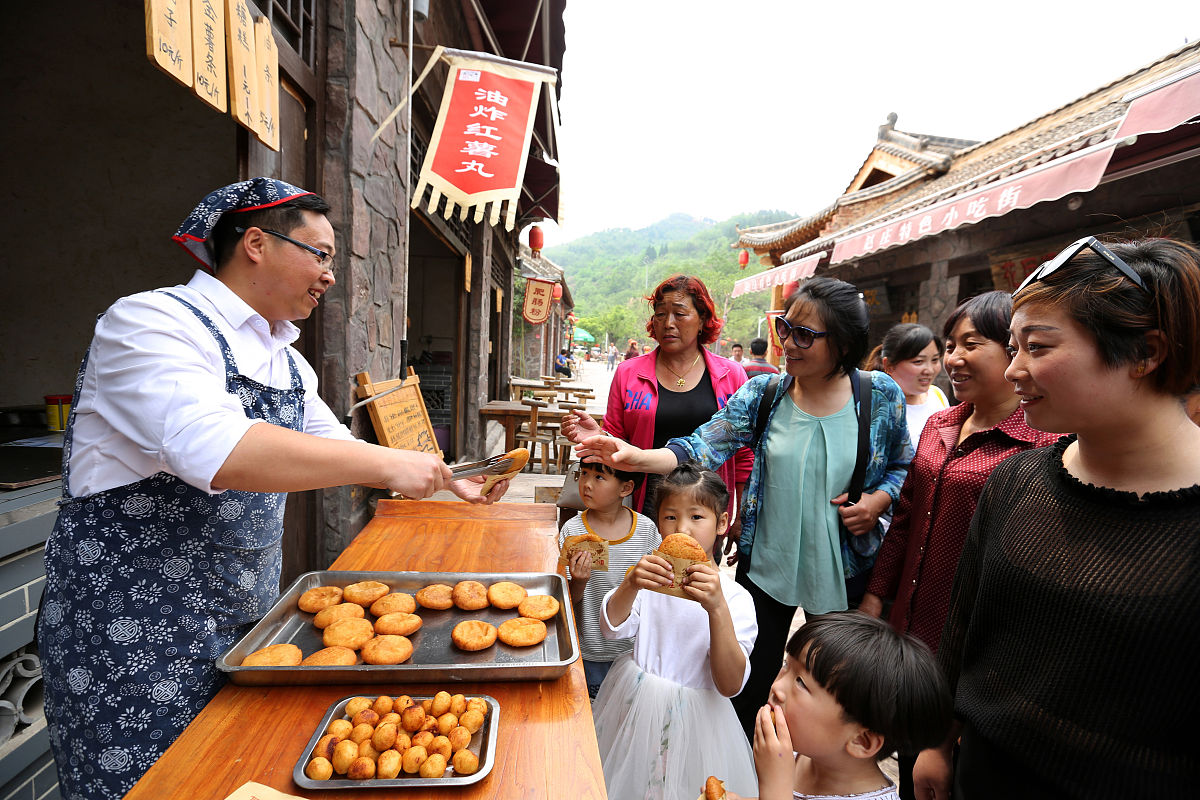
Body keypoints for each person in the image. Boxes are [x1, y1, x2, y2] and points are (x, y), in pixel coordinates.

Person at [35, 178, 507, 800]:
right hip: (130, 634)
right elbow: (219, 450)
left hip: (247, 624)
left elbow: (342, 449)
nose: (329, 275)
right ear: (256, 243)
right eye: (320, 254)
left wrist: (449, 480)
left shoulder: (287, 360)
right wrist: (387, 469)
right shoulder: (149, 322)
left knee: (233, 777)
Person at [914, 237, 1200, 799]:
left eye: (1038, 347)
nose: (1015, 370)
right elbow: (965, 630)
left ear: (1147, 352)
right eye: (1014, 347)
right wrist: (938, 743)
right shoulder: (1016, 483)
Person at [576, 276, 912, 740]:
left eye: (804, 335)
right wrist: (636, 457)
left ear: (845, 344)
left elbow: (902, 465)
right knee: (751, 681)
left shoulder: (878, 395)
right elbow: (701, 447)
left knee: (833, 686)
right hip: (769, 565)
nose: (787, 344)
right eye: (784, 328)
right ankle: (742, 769)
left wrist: (878, 499)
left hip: (840, 566)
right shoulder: (765, 394)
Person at [858, 293, 1059, 799]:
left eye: (972, 344)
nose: (952, 360)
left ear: (1011, 350)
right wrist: (876, 598)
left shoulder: (1041, 445)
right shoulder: (941, 424)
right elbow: (904, 519)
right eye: (950, 346)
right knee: (910, 763)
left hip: (971, 648)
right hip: (910, 631)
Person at [591, 464, 759, 800]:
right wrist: (630, 584)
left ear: (722, 523)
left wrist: (717, 608)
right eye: (670, 517)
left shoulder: (737, 600)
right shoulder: (650, 583)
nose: (682, 528)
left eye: (697, 517)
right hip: (635, 708)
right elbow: (610, 627)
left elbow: (729, 683)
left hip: (699, 724)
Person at [561, 274, 752, 534]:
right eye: (660, 314)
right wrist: (599, 436)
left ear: (703, 320)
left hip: (707, 510)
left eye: (680, 314)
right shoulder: (629, 372)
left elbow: (743, 455)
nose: (667, 323)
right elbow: (618, 439)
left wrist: (740, 517)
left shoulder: (731, 375)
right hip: (646, 508)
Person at [728, 614, 952, 800]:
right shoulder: (802, 754)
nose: (777, 687)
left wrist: (775, 787)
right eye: (787, 665)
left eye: (801, 683)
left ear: (861, 740)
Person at [559, 461, 660, 699]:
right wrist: (579, 581)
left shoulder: (646, 530)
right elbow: (564, 604)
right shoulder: (572, 532)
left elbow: (656, 592)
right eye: (583, 474)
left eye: (599, 477)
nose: (587, 484)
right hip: (591, 653)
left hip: (633, 653)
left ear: (625, 488)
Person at [865, 323, 948, 445]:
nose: (929, 370)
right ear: (889, 365)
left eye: (935, 360)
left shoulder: (936, 395)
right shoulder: (876, 407)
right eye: (918, 361)